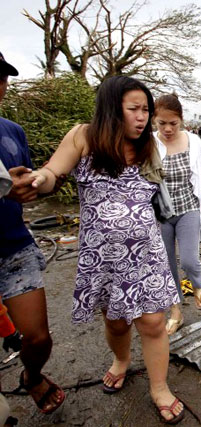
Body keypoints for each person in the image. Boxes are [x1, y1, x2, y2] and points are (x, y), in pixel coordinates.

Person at [28, 76, 185, 423]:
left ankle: (159, 387)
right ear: (112, 109)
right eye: (134, 109)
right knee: (115, 322)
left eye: (146, 110)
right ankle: (121, 360)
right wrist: (40, 179)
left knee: (154, 322)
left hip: (146, 253)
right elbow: (54, 172)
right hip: (103, 258)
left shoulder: (150, 146)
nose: (142, 117)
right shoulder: (83, 136)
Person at [0, 51, 66, 415]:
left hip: (12, 246)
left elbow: (27, 182)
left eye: (2, 76)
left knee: (38, 337)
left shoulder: (12, 131)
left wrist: (45, 182)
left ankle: (31, 374)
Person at [153, 94, 201, 335]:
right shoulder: (149, 143)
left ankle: (199, 285)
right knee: (166, 264)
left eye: (173, 123)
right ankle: (176, 312)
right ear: (154, 121)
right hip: (160, 214)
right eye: (162, 123)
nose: (168, 129)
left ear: (181, 120)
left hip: (189, 208)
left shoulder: (194, 141)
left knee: (190, 260)